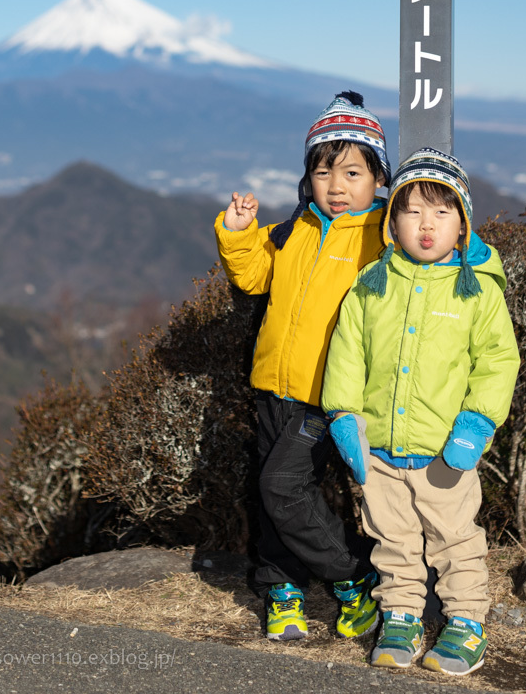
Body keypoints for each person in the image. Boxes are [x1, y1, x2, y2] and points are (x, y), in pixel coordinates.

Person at [322, 149, 520, 676]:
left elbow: (498, 361)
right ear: (393, 222)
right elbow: (348, 351)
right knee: (393, 541)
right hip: (382, 449)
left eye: (442, 212)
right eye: (411, 211)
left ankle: (466, 623)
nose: (426, 225)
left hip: (445, 452)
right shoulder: (372, 284)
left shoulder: (475, 290)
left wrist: (475, 425)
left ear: (463, 225)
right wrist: (344, 417)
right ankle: (402, 616)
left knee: (456, 541)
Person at [214, 91, 392, 642]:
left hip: (328, 395)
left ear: (379, 178)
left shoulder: (380, 237)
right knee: (274, 495)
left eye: (353, 173)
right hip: (273, 385)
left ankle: (351, 578)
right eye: (322, 172)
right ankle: (282, 590)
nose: (336, 186)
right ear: (306, 178)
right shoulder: (295, 229)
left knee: (281, 486)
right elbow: (252, 277)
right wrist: (240, 233)